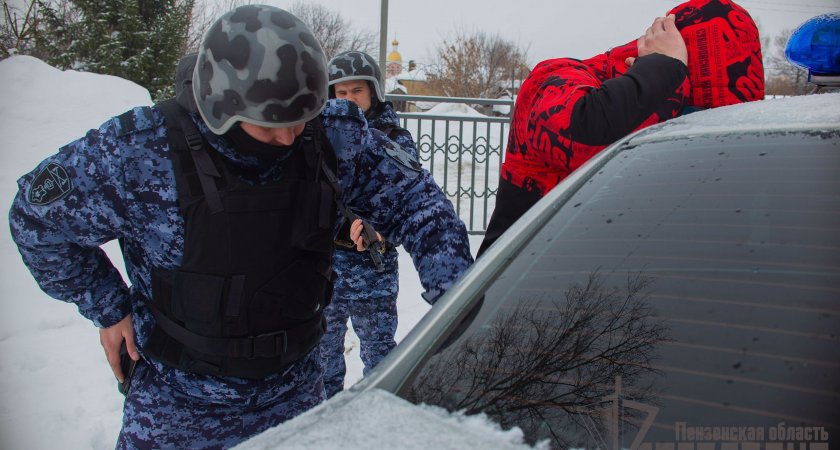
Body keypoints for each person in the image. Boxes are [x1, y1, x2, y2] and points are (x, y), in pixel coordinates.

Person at [8, 5, 472, 449]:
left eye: (300, 118)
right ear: (221, 103)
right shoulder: (139, 150)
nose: (289, 136)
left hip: (296, 396)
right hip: (178, 409)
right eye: (270, 123)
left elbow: (418, 202)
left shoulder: (332, 135)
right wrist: (108, 306)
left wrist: (457, 307)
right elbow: (35, 219)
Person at [477, 0, 764, 257]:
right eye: (693, 110)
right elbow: (585, 132)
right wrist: (663, 68)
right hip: (509, 295)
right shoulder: (553, 77)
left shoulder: (661, 103)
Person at [318, 50, 417, 398]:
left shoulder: (392, 138)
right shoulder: (317, 136)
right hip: (326, 266)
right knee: (322, 357)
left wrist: (377, 228)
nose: (348, 100)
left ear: (373, 93)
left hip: (372, 266)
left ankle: (377, 425)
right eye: (340, 93)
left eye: (356, 91)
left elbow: (406, 195)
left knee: (379, 358)